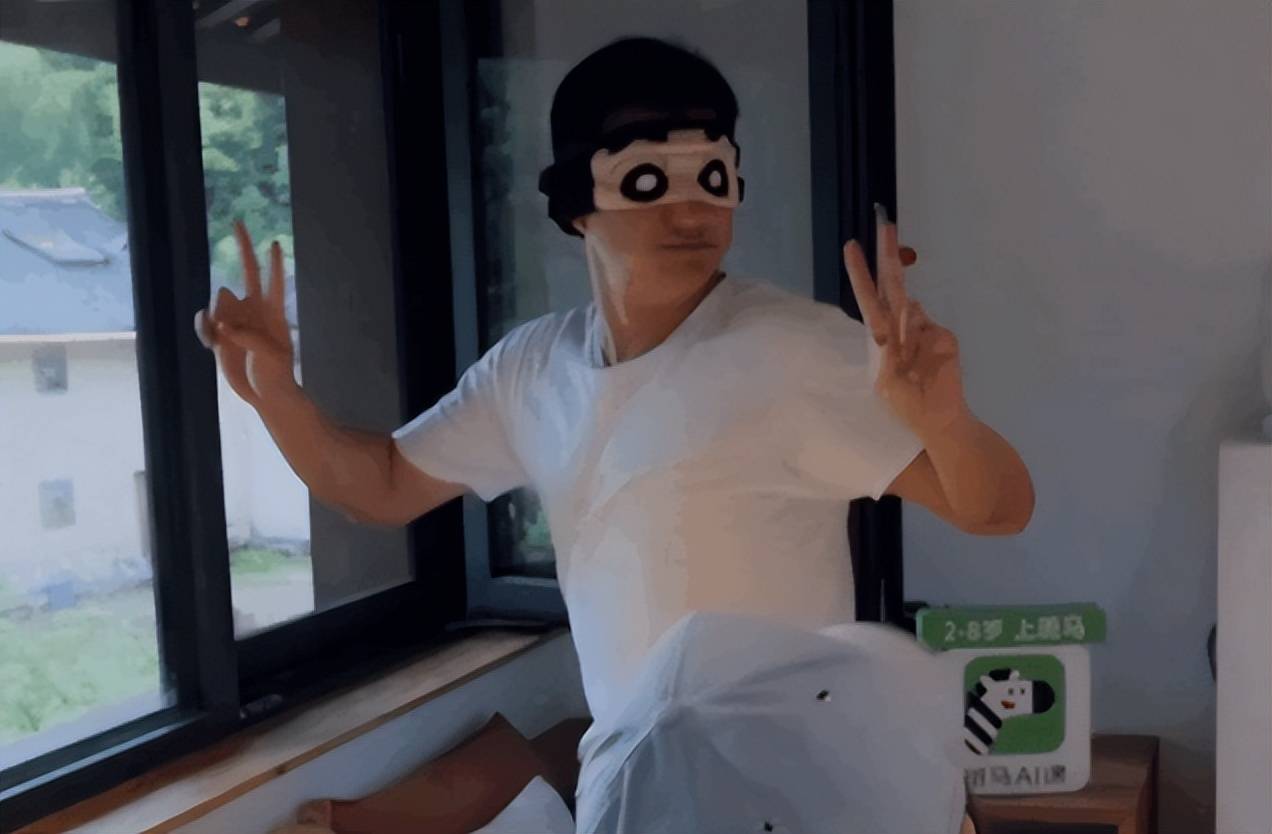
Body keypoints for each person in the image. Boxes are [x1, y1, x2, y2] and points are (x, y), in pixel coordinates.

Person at [195, 35, 1030, 834]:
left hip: (806, 788)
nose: (691, 210)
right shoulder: (530, 370)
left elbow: (997, 508)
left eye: (711, 175)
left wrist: (944, 419)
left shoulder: (794, 350)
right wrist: (279, 398)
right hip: (642, 789)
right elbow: (380, 485)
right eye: (647, 180)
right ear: (575, 205)